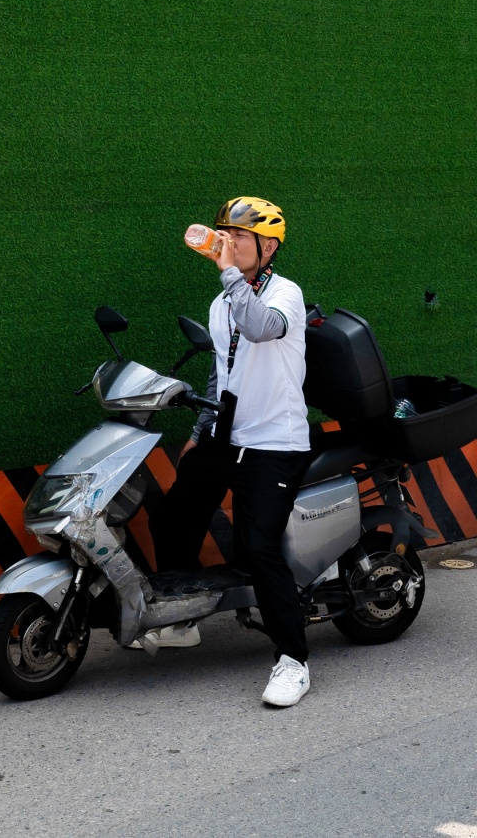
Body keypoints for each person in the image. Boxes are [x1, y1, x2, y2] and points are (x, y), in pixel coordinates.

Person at [148, 195, 315, 708]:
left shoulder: (284, 295)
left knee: (258, 549)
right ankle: (182, 621)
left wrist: (227, 274)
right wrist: (202, 431)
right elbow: (222, 371)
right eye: (226, 235)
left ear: (269, 245)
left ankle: (294, 662)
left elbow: (260, 328)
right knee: (172, 514)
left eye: (239, 236)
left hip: (275, 445)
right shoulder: (222, 303)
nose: (229, 244)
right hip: (230, 437)